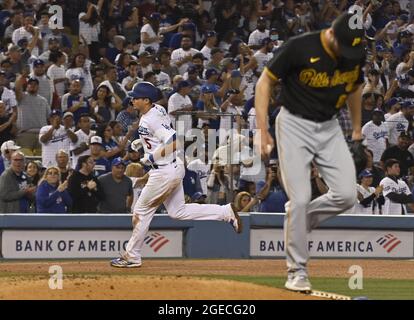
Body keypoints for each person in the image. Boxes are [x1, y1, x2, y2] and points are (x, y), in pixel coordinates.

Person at [255, 13, 366, 292]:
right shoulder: (299, 47)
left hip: (328, 127)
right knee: (300, 198)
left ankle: (298, 224)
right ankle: (297, 272)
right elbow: (264, 83)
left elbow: (354, 89)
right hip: (293, 124)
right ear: (331, 33)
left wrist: (356, 131)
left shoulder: (353, 53)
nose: (349, 52)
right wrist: (262, 130)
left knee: (347, 195)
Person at [110, 82, 242, 268]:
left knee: (140, 212)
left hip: (163, 171)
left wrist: (151, 155)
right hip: (173, 167)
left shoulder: (151, 118)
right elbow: (159, 134)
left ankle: (131, 256)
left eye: (136, 97)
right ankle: (224, 212)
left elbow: (174, 142)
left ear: (146, 100)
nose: (132, 99)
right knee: (177, 212)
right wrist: (143, 143)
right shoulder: (156, 109)